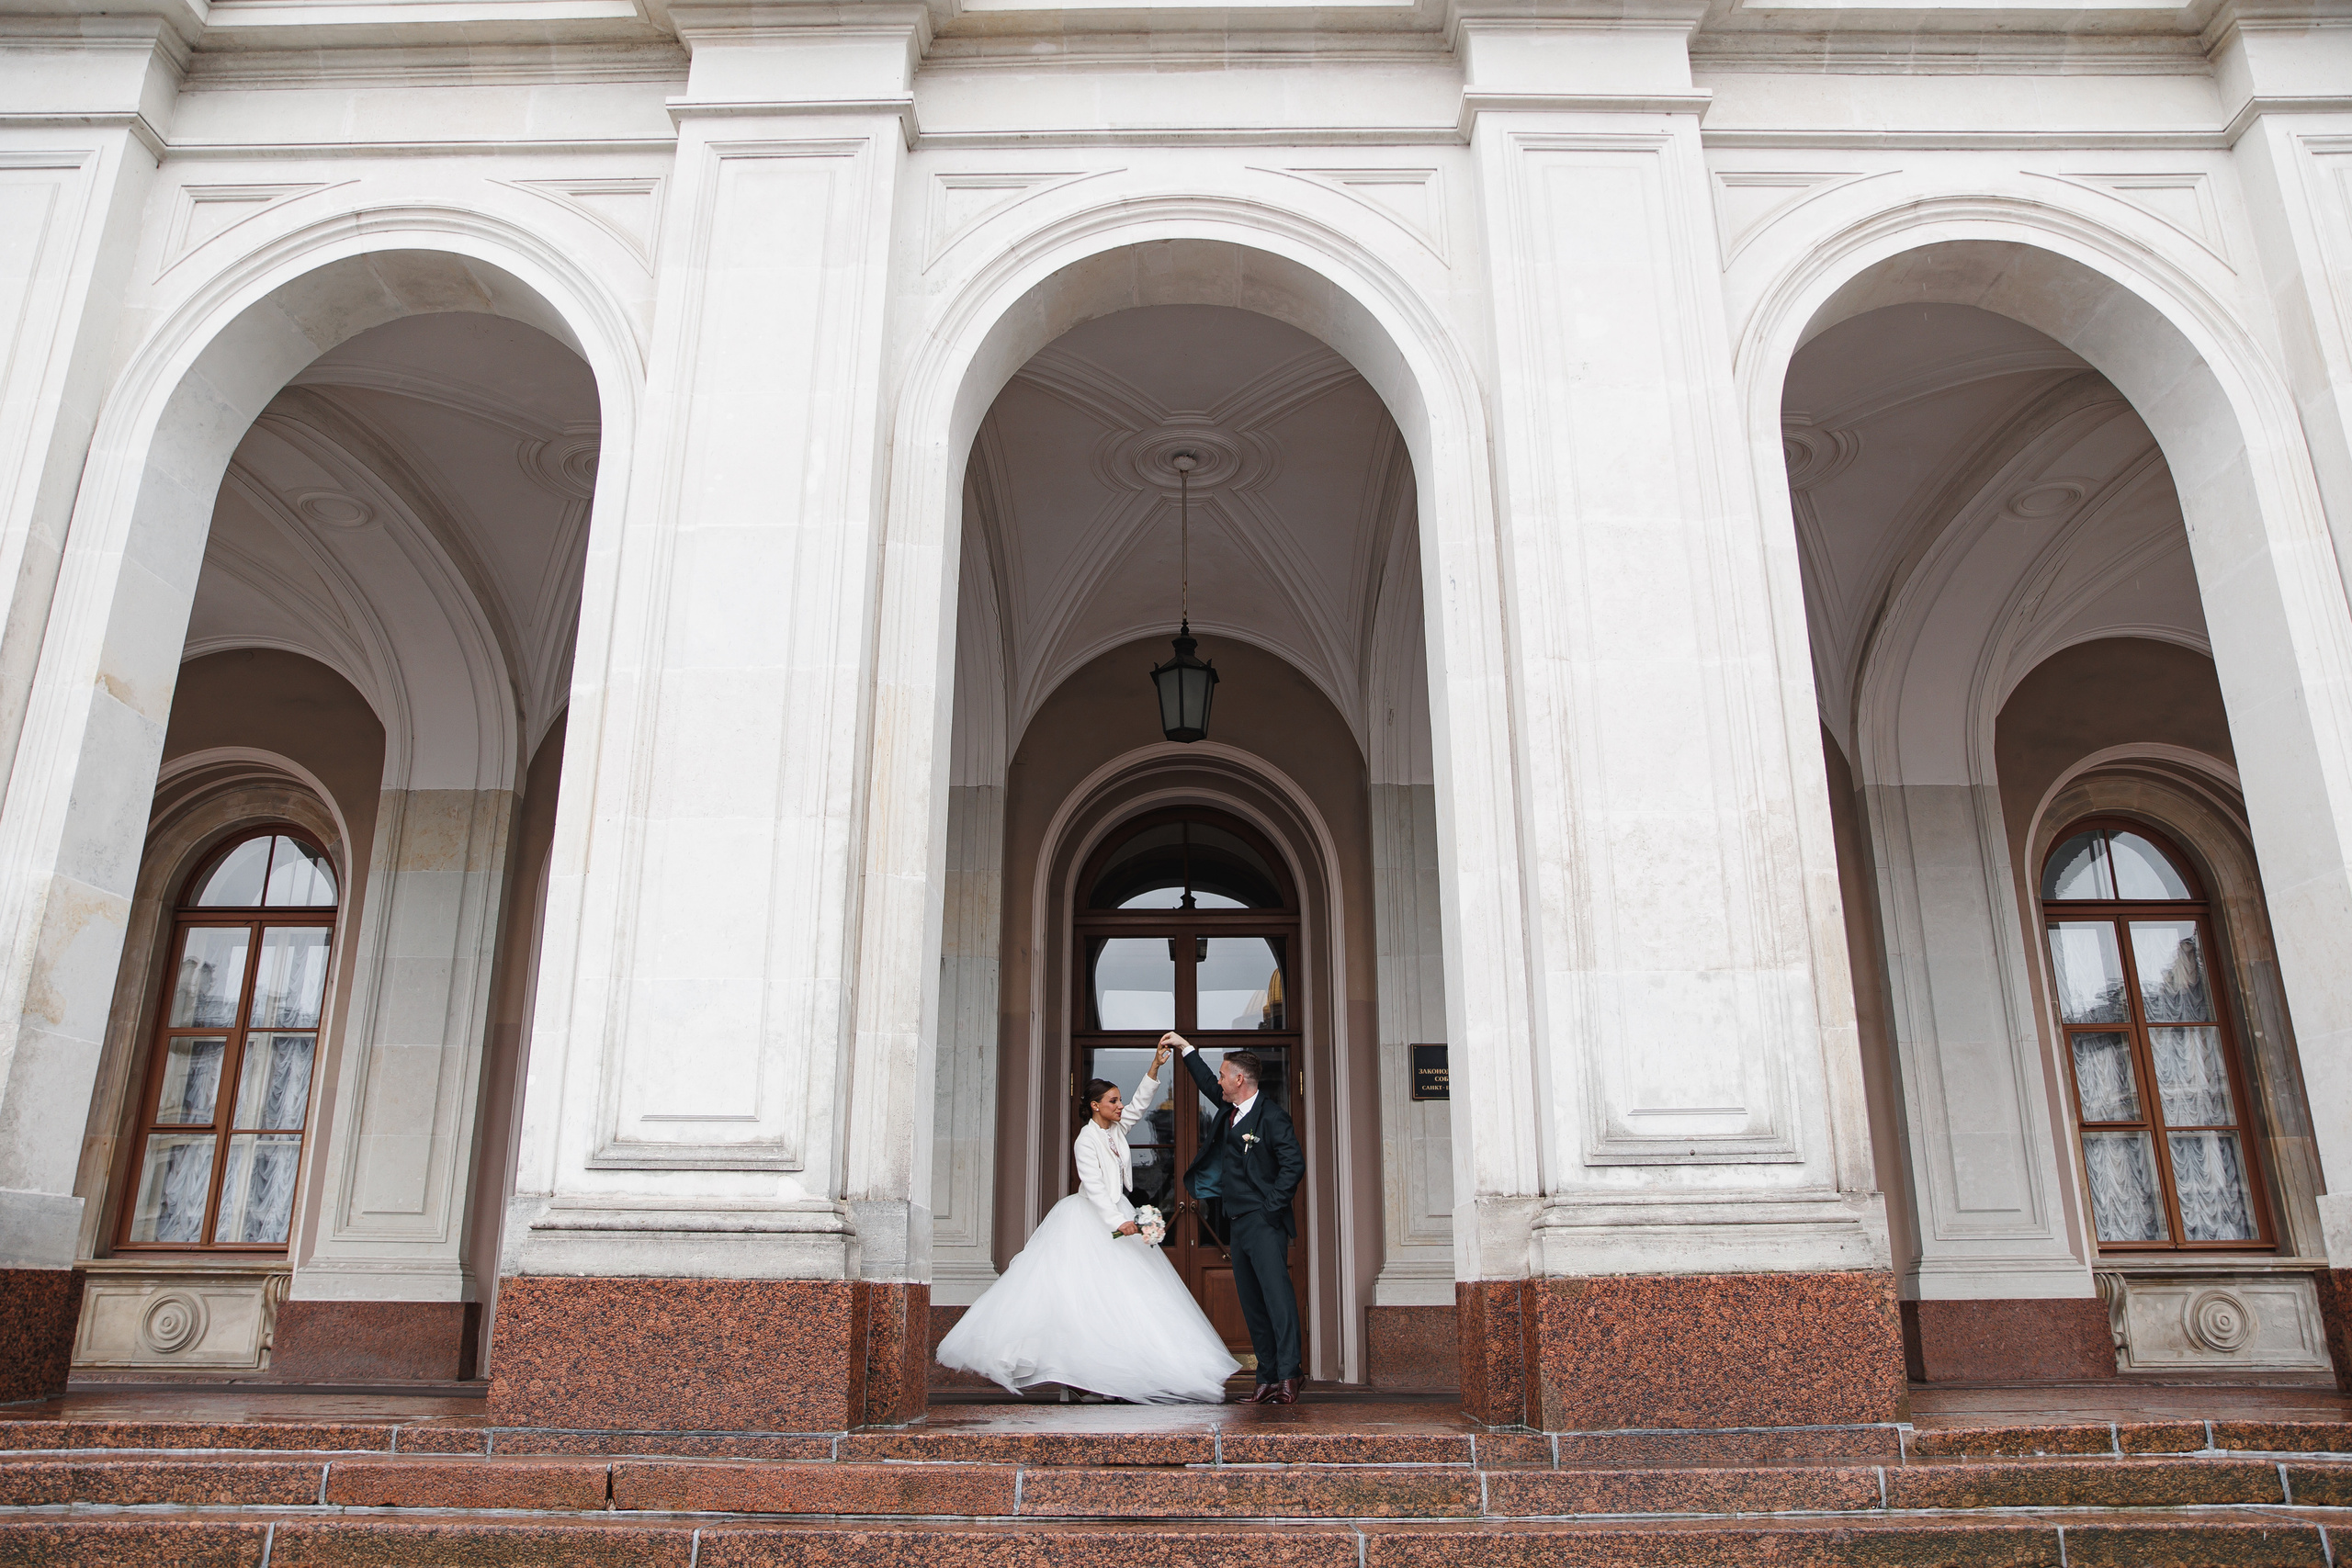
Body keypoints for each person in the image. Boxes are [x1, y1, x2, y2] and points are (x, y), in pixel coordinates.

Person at [935, 1038, 1239, 1403]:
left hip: (1117, 1216)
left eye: (1119, 1100)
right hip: (1090, 1221)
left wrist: (1155, 1068)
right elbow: (1094, 1188)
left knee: (1119, 1302)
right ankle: (1082, 1381)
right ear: (1096, 1106)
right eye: (1113, 1101)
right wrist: (1120, 1222)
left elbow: (1141, 1104)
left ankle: (1108, 1378)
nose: (1120, 1105)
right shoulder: (1086, 1140)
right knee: (1084, 1302)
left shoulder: (1116, 1130)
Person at [1164, 1030, 1306, 1404]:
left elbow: (1294, 1165)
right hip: (1237, 1222)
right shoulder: (1229, 1109)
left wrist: (1271, 1208)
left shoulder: (1273, 1117)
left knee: (1277, 1300)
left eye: (1225, 1075)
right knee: (1252, 1303)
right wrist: (1185, 1049)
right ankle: (1267, 1377)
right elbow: (1207, 1084)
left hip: (1264, 1221)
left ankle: (1290, 1374)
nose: (1221, 1081)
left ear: (1239, 1079)